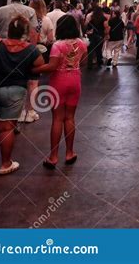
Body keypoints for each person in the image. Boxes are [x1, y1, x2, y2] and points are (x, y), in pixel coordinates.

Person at [0, 16, 44, 175]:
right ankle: (5, 164)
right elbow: (39, 65)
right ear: (25, 32)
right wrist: (26, 70)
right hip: (15, 91)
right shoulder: (31, 49)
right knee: (7, 128)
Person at [33, 15, 87, 169]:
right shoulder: (82, 44)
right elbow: (83, 62)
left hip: (59, 82)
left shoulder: (58, 45)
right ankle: (70, 153)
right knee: (70, 118)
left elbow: (52, 66)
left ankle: (53, 157)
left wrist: (34, 69)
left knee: (57, 119)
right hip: (75, 81)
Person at [19, 0, 54, 124]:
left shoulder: (25, 20)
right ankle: (31, 111)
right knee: (34, 82)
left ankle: (20, 111)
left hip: (23, 49)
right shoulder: (47, 20)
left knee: (22, 81)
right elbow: (51, 39)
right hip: (40, 51)